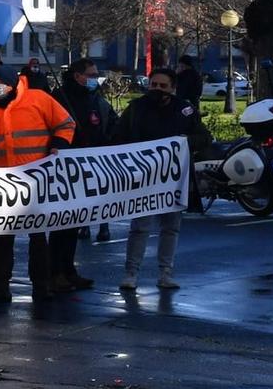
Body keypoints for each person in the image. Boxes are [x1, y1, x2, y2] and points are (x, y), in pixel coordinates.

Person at [0, 63, 74, 303]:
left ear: (12, 84)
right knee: (3, 235)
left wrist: (58, 147)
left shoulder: (38, 99)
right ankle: (1, 285)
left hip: (36, 179)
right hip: (4, 181)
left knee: (38, 236)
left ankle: (40, 285)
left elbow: (66, 123)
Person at [114, 66, 212, 292]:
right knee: (140, 227)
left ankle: (165, 273)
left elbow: (204, 137)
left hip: (173, 180)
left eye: (163, 86)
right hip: (144, 180)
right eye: (153, 85)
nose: (157, 90)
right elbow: (119, 136)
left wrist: (184, 141)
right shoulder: (136, 109)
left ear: (173, 89)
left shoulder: (184, 110)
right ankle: (131, 274)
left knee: (171, 227)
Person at [50, 58, 116, 292]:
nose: (94, 78)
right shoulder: (61, 97)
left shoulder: (95, 97)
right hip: (66, 169)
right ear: (78, 75)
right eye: (91, 74)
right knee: (61, 224)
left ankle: (69, 270)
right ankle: (55, 272)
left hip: (89, 166)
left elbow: (108, 124)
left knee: (74, 223)